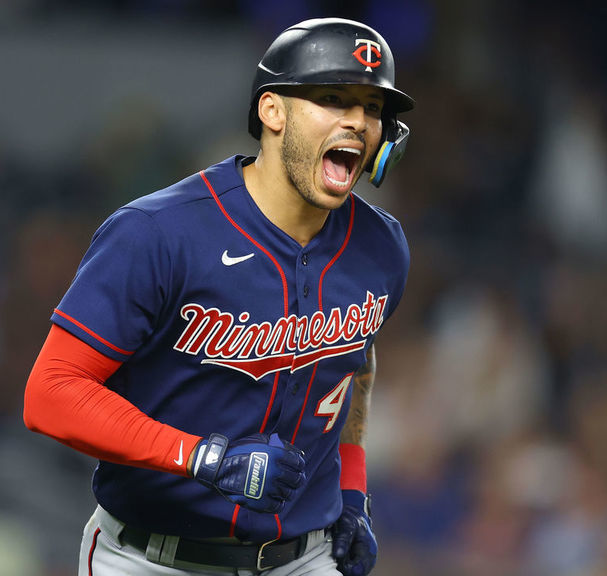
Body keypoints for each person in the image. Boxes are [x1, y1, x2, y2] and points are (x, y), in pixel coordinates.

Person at [23, 17, 414, 576]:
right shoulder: (158, 232)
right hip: (152, 557)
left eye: (372, 108)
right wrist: (203, 458)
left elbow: (354, 369)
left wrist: (352, 492)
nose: (357, 121)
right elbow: (51, 393)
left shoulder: (382, 247)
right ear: (272, 111)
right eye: (333, 98)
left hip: (304, 558)